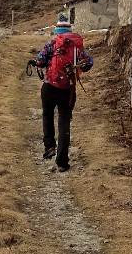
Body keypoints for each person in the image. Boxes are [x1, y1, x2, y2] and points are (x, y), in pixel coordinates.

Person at [35, 12, 93, 172]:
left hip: (49, 87)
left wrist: (43, 63)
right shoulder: (77, 48)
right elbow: (89, 63)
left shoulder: (51, 45)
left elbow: (40, 60)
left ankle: (49, 147)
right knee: (64, 122)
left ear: (57, 33)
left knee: (47, 115)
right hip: (68, 90)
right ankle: (62, 161)